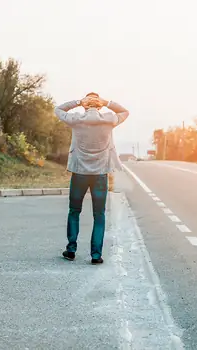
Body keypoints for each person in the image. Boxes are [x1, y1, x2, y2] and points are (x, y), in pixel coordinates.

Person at [54, 92, 130, 264]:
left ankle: (71, 250)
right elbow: (125, 112)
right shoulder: (109, 119)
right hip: (100, 175)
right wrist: (107, 102)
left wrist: (78, 101)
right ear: (100, 105)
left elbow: (58, 110)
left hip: (79, 173)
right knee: (99, 215)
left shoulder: (75, 120)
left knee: (74, 211)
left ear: (84, 106)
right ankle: (96, 255)